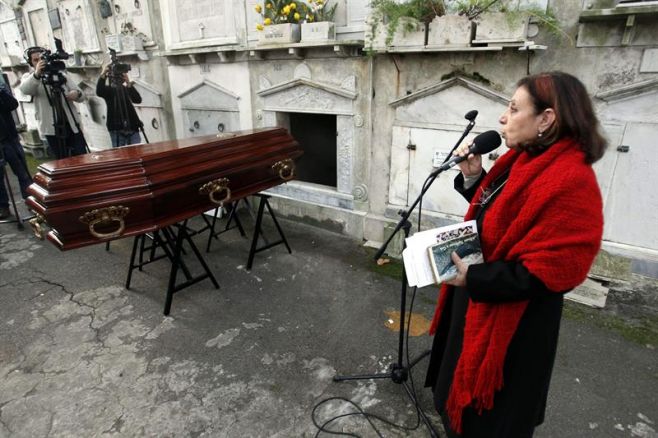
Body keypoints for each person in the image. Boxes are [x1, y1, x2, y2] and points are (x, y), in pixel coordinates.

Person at [425, 71, 607, 437]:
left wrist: (474, 278)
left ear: (546, 119)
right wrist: (477, 179)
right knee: (457, 403)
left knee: (491, 421)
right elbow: (504, 222)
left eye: (513, 108)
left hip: (514, 328)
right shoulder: (522, 161)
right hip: (478, 302)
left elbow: (555, 272)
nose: (502, 118)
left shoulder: (572, 180)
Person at [19, 46, 88, 159]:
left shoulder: (60, 74)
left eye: (41, 59)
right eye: (36, 60)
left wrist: (76, 93)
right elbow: (25, 90)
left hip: (71, 124)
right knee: (62, 161)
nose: (40, 62)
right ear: (30, 63)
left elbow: (82, 95)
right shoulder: (30, 77)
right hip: (51, 129)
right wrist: (37, 74)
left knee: (81, 157)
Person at [0, 79, 33, 220]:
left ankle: (31, 200)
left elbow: (13, 104)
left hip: (9, 137)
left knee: (22, 172)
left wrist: (1, 92)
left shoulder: (1, 89)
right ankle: (3, 206)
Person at [96, 63, 143, 147]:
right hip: (116, 128)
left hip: (132, 126)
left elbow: (138, 100)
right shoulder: (109, 90)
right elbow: (99, 91)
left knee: (137, 152)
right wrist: (104, 73)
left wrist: (128, 83)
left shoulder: (126, 89)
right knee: (119, 154)